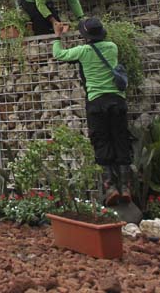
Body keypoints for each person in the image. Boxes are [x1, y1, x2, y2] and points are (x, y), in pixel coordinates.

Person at [52, 17, 131, 206]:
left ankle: (110, 187)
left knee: (101, 140)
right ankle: (126, 186)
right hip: (117, 101)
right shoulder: (112, 47)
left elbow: (58, 54)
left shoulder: (83, 51)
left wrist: (58, 36)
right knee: (121, 139)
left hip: (96, 102)